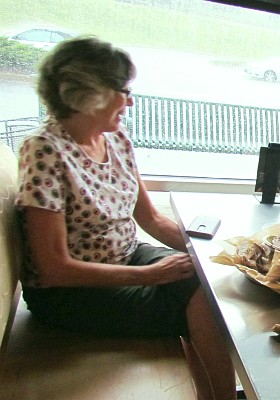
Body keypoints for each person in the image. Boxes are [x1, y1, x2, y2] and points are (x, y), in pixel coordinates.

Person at [14, 36, 236, 400]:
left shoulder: (117, 140)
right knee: (198, 304)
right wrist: (148, 275)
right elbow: (53, 267)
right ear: (88, 92)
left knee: (206, 282)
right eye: (124, 90)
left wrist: (225, 254)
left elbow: (151, 219)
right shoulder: (44, 150)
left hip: (128, 256)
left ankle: (215, 395)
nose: (131, 101)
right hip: (70, 293)